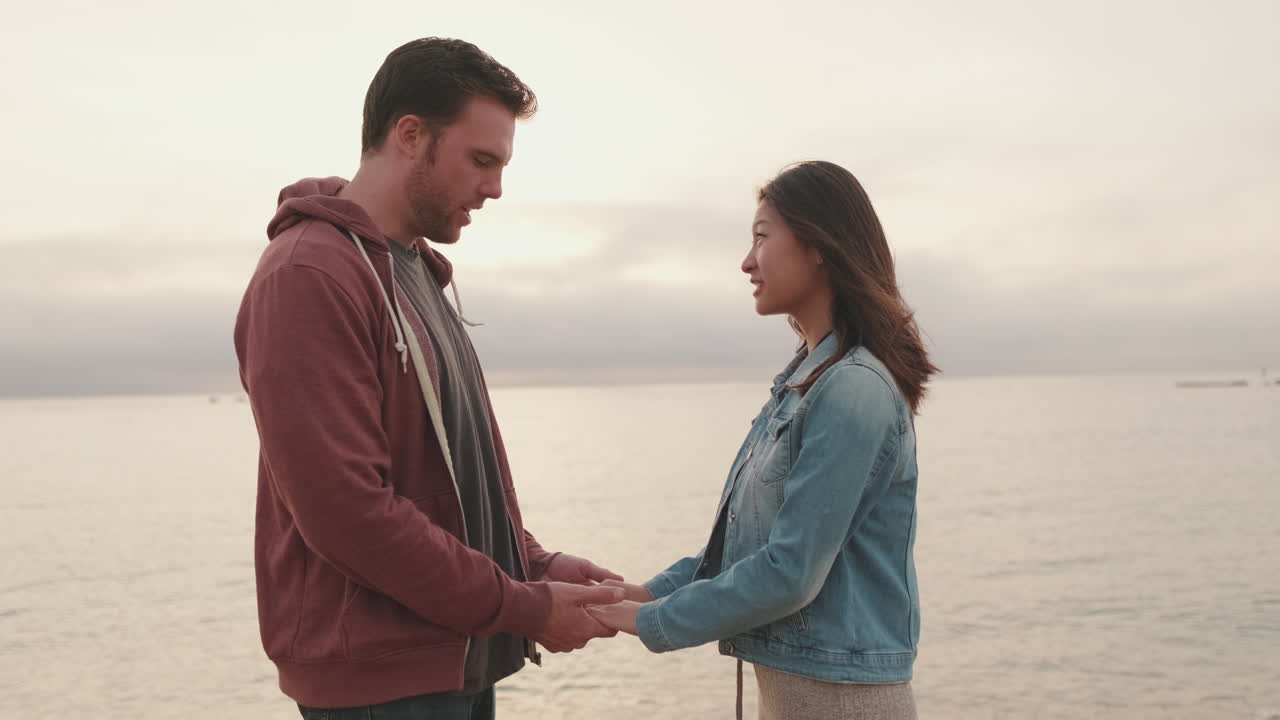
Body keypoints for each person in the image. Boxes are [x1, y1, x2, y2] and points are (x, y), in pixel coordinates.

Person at [234, 37, 624, 720]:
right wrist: (523, 606)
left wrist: (532, 564)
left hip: (455, 660)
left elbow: (446, 478)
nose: (495, 187)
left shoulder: (414, 272)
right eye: (481, 160)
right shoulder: (310, 274)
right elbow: (346, 513)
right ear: (410, 135)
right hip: (382, 683)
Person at [589, 161, 937, 720]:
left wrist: (651, 622)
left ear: (819, 244)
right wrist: (641, 595)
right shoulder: (803, 384)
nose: (747, 261)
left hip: (842, 701)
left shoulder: (852, 388)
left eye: (761, 237)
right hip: (803, 694)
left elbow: (790, 573)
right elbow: (740, 552)